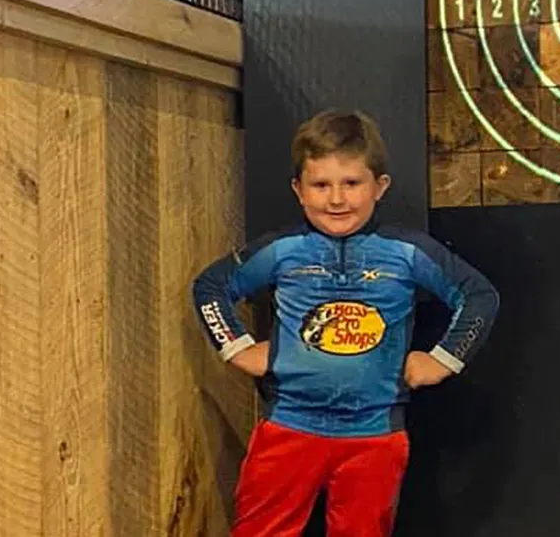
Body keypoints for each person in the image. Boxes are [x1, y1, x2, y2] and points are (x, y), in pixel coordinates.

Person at [191, 109, 500, 536]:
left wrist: (444, 359)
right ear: (299, 190)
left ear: (380, 186)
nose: (336, 199)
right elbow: (211, 287)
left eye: (351, 183)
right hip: (288, 427)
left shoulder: (407, 252)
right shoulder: (283, 250)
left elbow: (479, 296)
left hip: (375, 436)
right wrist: (236, 347)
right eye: (321, 185)